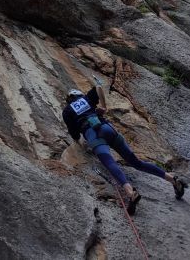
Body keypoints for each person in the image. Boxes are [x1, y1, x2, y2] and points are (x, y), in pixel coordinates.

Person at [62, 81, 187, 215]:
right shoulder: (86, 98)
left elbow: (74, 133)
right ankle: (173, 180)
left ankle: (130, 192)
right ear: (79, 95)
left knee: (110, 163)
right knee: (136, 162)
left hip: (93, 133)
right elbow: (98, 87)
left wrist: (79, 142)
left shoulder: (67, 111)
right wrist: (103, 107)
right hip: (108, 128)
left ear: (69, 99)